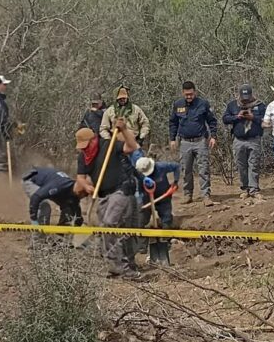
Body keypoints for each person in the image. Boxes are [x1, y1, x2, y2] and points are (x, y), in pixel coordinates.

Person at [75, 119, 141, 279]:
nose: (85, 150)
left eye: (86, 146)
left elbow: (133, 147)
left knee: (110, 224)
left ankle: (122, 267)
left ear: (93, 140)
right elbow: (80, 178)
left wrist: (124, 129)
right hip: (103, 195)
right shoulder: (83, 157)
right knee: (112, 230)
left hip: (121, 190)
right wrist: (86, 186)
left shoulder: (108, 144)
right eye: (82, 148)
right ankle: (120, 266)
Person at [169, 81, 218, 206]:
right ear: (183, 93)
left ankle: (206, 195)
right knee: (186, 170)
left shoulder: (203, 104)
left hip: (200, 141)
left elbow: (212, 121)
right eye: (186, 95)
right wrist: (172, 139)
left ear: (195, 92)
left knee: (204, 169)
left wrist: (213, 136)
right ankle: (187, 195)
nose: (189, 97)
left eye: (191, 94)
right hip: (185, 142)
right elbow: (173, 123)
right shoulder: (178, 104)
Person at [22, 167, 89, 246]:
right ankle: (38, 243)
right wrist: (34, 219)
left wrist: (78, 220)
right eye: (84, 195)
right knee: (44, 206)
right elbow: (36, 197)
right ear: (79, 192)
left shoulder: (73, 191)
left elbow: (75, 207)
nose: (83, 198)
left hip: (47, 185)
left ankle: (59, 239)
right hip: (32, 180)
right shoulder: (58, 185)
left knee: (68, 209)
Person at [223, 84, 266, 200]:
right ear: (239, 95)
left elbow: (266, 121)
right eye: (243, 97)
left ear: (252, 95)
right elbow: (225, 119)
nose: (245, 99)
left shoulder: (260, 105)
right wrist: (237, 117)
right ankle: (245, 188)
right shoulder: (232, 105)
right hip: (239, 140)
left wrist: (253, 118)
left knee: (254, 164)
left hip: (254, 139)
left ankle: (254, 189)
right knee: (241, 165)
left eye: (248, 97)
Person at [135, 156, 180, 230]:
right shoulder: (138, 173)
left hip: (163, 196)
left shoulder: (161, 166)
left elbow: (176, 166)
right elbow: (138, 190)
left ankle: (166, 233)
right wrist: (141, 201)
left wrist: (175, 182)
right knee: (142, 220)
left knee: (166, 218)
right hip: (147, 197)